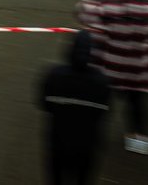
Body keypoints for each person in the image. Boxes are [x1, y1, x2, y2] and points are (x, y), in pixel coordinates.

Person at [76, 0, 148, 155]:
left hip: (108, 67)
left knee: (99, 105)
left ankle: (92, 138)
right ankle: (139, 142)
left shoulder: (103, 1)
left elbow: (81, 13)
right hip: (140, 70)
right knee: (138, 106)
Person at [39, 30, 111, 185]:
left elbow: (44, 105)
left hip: (58, 141)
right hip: (87, 145)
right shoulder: (101, 81)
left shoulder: (54, 75)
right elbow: (104, 113)